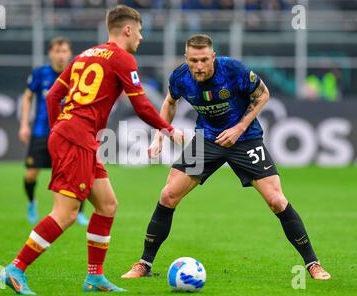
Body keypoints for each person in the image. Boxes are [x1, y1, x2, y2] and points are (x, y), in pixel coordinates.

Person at [0, 5, 183, 295]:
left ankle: (94, 277)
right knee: (66, 214)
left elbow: (54, 96)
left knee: (107, 205)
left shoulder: (85, 54)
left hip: (76, 136)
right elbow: (143, 107)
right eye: (140, 30)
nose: (142, 37)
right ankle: (15, 268)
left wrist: (57, 127)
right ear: (127, 29)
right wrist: (170, 131)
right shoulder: (123, 59)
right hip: (77, 139)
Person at [121, 34, 331, 281]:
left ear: (213, 57)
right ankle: (144, 264)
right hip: (207, 140)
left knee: (276, 200)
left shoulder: (234, 69)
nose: (198, 66)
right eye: (193, 61)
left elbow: (263, 95)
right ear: (186, 59)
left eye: (203, 60)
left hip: (245, 138)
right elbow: (169, 102)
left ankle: (313, 264)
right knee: (168, 195)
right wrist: (160, 135)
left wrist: (239, 128)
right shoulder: (180, 76)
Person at [19, 37, 89, 226]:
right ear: (50, 53)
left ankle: (79, 212)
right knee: (31, 174)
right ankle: (32, 202)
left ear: (70, 53)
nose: (60, 55)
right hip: (42, 131)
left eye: (64, 51)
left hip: (69, 133)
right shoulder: (40, 73)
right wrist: (24, 124)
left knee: (77, 173)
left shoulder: (78, 73)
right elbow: (27, 98)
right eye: (57, 51)